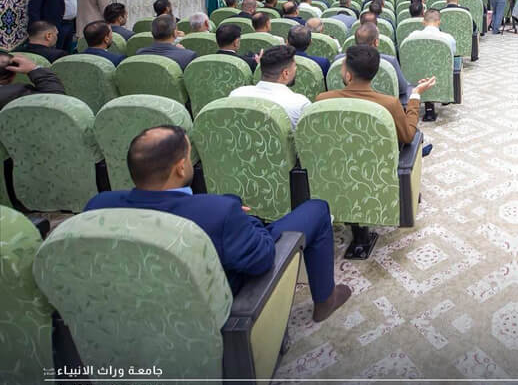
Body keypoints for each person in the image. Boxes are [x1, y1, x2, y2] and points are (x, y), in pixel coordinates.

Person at [85, 126, 349, 322]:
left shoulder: (98, 206)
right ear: (180, 168)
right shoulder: (219, 213)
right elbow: (262, 258)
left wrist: (228, 206)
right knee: (317, 209)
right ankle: (325, 300)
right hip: (213, 311)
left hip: (136, 308)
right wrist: (244, 218)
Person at [316, 45, 435, 143]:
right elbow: (408, 137)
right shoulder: (390, 104)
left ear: (348, 76)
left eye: (342, 67)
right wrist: (415, 94)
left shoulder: (323, 100)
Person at [230, 45, 309, 129]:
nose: (296, 69)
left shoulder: (236, 95)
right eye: (295, 66)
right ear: (286, 73)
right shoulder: (300, 104)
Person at [406, 9, 457, 123]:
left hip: (417, 77)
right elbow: (452, 55)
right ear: (439, 22)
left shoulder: (411, 36)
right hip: (439, 78)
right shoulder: (447, 38)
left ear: (423, 22)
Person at [346, 23, 410, 106]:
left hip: (351, 104)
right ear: (376, 42)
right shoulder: (390, 61)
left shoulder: (342, 60)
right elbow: (402, 88)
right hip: (385, 106)